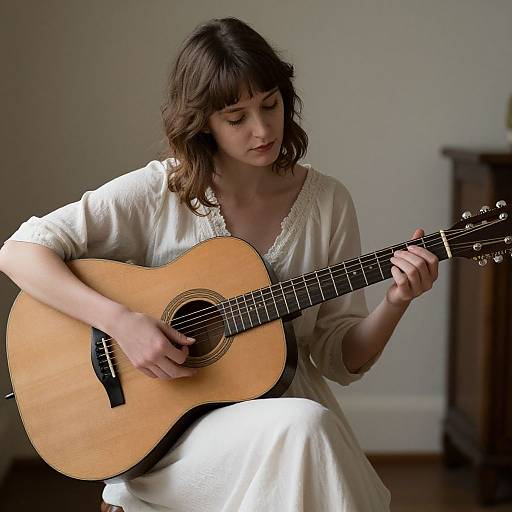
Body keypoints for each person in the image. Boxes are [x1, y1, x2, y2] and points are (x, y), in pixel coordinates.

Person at [0, 16, 438, 512]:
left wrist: (397, 301)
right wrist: (121, 322)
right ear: (203, 123)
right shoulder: (161, 191)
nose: (262, 129)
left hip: (284, 426)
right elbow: (18, 252)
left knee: (303, 426)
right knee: (305, 427)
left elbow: (340, 357)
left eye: (270, 104)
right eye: (237, 118)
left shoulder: (327, 203)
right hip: (173, 440)